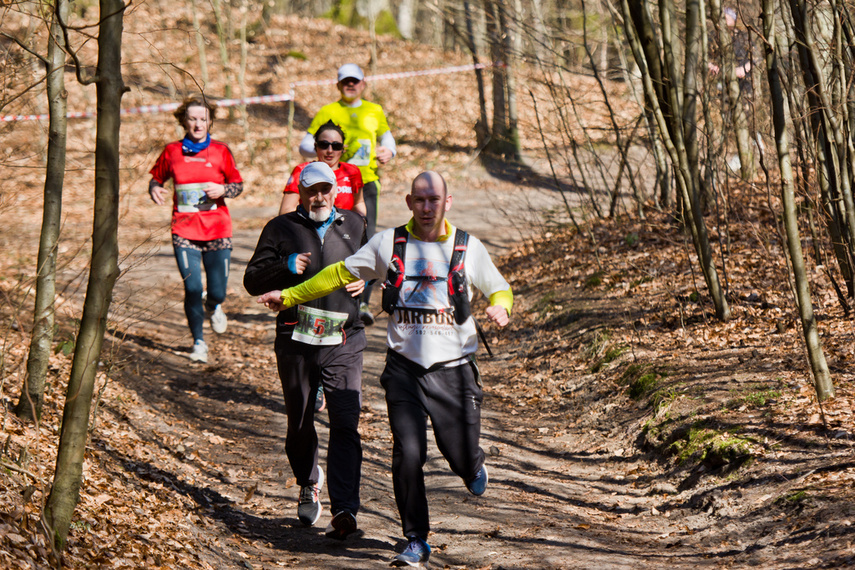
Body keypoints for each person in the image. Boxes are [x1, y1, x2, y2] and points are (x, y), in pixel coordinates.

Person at [256, 171, 513, 567]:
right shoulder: (388, 243)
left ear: (448, 202)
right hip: (404, 370)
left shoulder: (467, 246)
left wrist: (501, 305)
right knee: (408, 453)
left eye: (435, 200)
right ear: (409, 202)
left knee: (457, 453)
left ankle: (471, 462)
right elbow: (335, 275)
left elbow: (499, 285)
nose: (427, 208)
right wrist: (289, 293)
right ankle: (415, 539)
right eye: (420, 200)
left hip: (454, 370)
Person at [244, 162, 368, 539]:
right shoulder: (280, 228)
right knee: (299, 421)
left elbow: (376, 267)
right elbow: (251, 280)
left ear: (336, 190)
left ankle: (345, 506)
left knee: (346, 421)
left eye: (325, 189)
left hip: (344, 337)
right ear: (299, 192)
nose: (319, 197)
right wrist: (284, 265)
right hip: (296, 338)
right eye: (312, 190)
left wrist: (368, 285)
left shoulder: (355, 225)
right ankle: (308, 481)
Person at [299, 63, 396, 325]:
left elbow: (388, 139)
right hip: (327, 184)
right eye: (345, 82)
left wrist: (389, 151)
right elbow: (306, 142)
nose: (350, 85)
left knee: (365, 241)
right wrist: (323, 152)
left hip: (363, 182)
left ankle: (361, 301)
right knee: (328, 240)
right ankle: (321, 295)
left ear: (363, 83)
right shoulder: (328, 111)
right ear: (338, 85)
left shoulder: (374, 110)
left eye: (355, 81)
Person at [149, 95, 243, 364]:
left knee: (217, 292)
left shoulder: (221, 151)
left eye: (203, 118)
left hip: (217, 230)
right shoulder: (172, 151)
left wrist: (223, 189)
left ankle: (213, 306)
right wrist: (156, 188)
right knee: (192, 288)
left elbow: (238, 185)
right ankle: (198, 342)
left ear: (210, 121)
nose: (198, 123)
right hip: (184, 230)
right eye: (192, 118)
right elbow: (157, 178)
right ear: (184, 121)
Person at [281, 120, 366, 217]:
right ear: (315, 147)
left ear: (343, 149)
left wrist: (360, 223)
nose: (330, 151)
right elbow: (286, 210)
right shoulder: (302, 170)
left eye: (336, 146)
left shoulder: (352, 171)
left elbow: (359, 203)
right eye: (324, 145)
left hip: (344, 229)